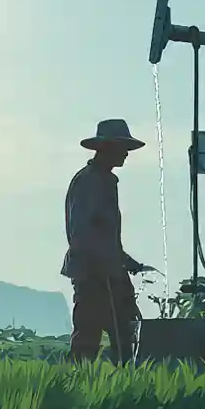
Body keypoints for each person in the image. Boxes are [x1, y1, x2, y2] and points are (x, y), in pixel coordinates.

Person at [60, 118, 157, 364]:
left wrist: (127, 262)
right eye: (122, 148)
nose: (126, 154)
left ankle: (126, 380)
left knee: (127, 334)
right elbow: (82, 232)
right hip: (93, 272)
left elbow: (105, 235)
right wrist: (103, 265)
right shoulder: (88, 181)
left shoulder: (105, 180)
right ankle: (77, 381)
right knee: (88, 337)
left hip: (109, 269)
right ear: (107, 148)